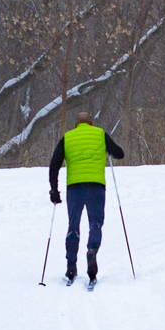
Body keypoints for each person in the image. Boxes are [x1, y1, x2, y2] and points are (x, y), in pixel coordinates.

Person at [48, 111, 125, 285]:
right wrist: (108, 150)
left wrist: (54, 190)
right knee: (95, 223)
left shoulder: (67, 137)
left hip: (74, 188)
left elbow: (54, 164)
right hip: (96, 187)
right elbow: (119, 153)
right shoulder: (100, 134)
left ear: (76, 125)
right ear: (91, 124)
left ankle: (71, 266)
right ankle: (92, 249)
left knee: (73, 225)